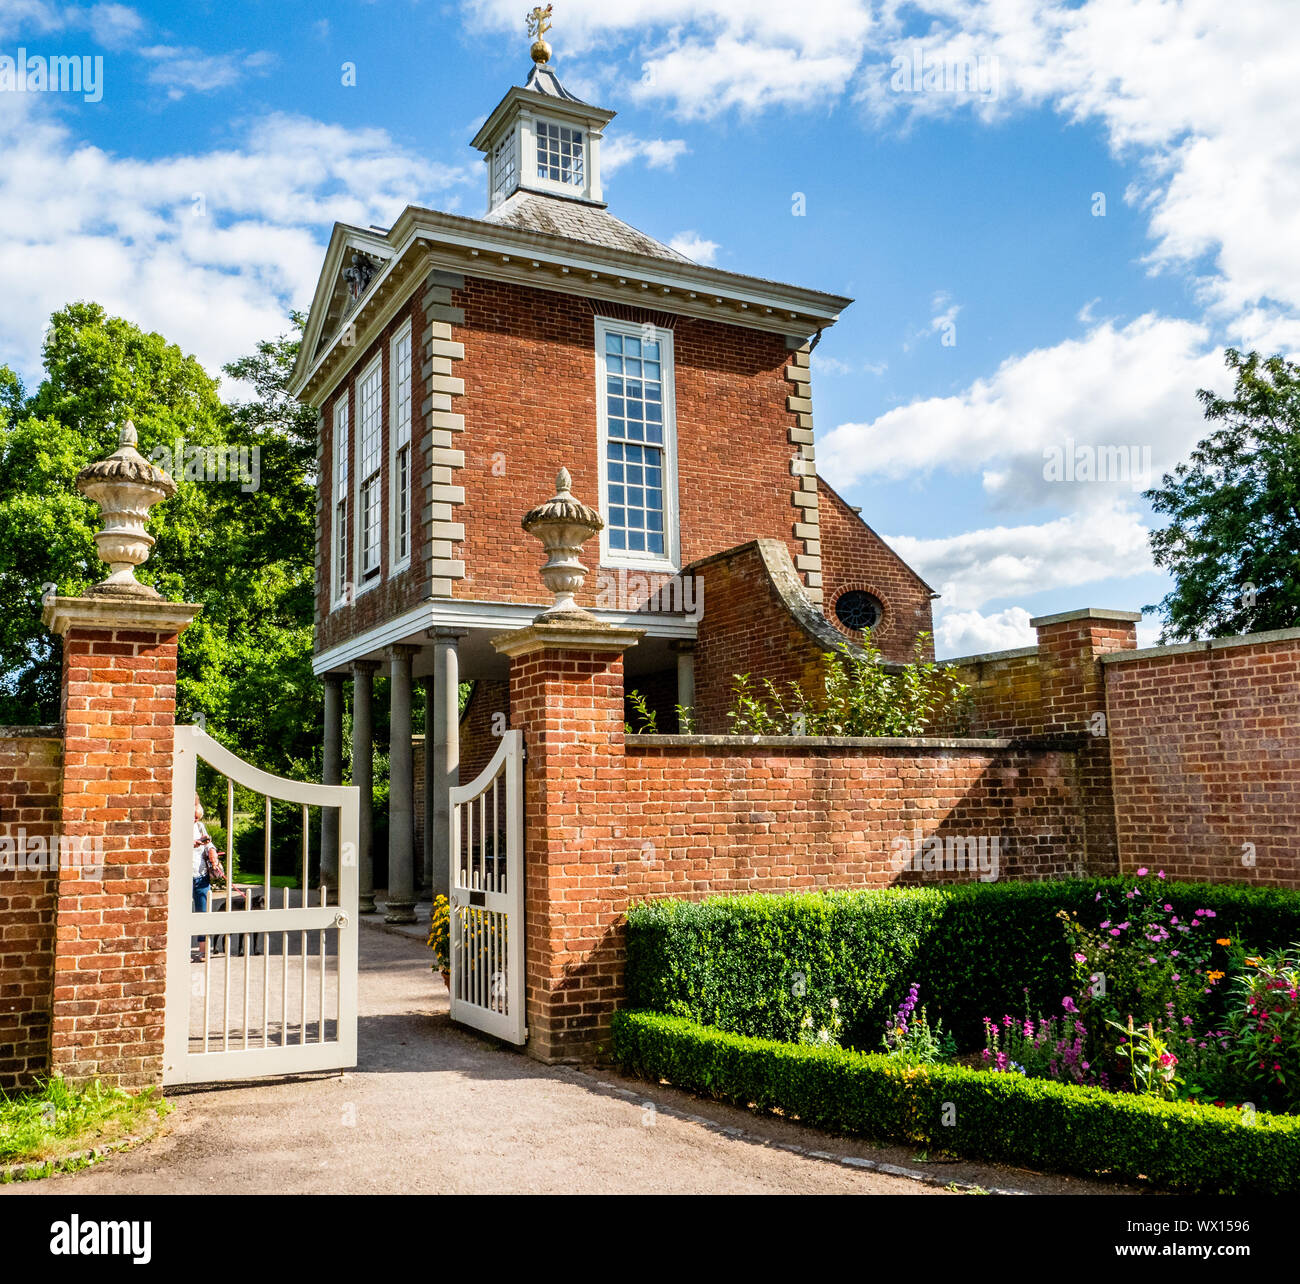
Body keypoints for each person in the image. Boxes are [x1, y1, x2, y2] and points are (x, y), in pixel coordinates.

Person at [192, 796, 225, 962]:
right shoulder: (175, 823)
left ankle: (203, 951)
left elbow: (209, 844)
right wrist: (192, 843)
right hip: (181, 877)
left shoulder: (199, 826)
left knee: (202, 913)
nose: (195, 819)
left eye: (197, 816)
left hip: (200, 875)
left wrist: (212, 852)